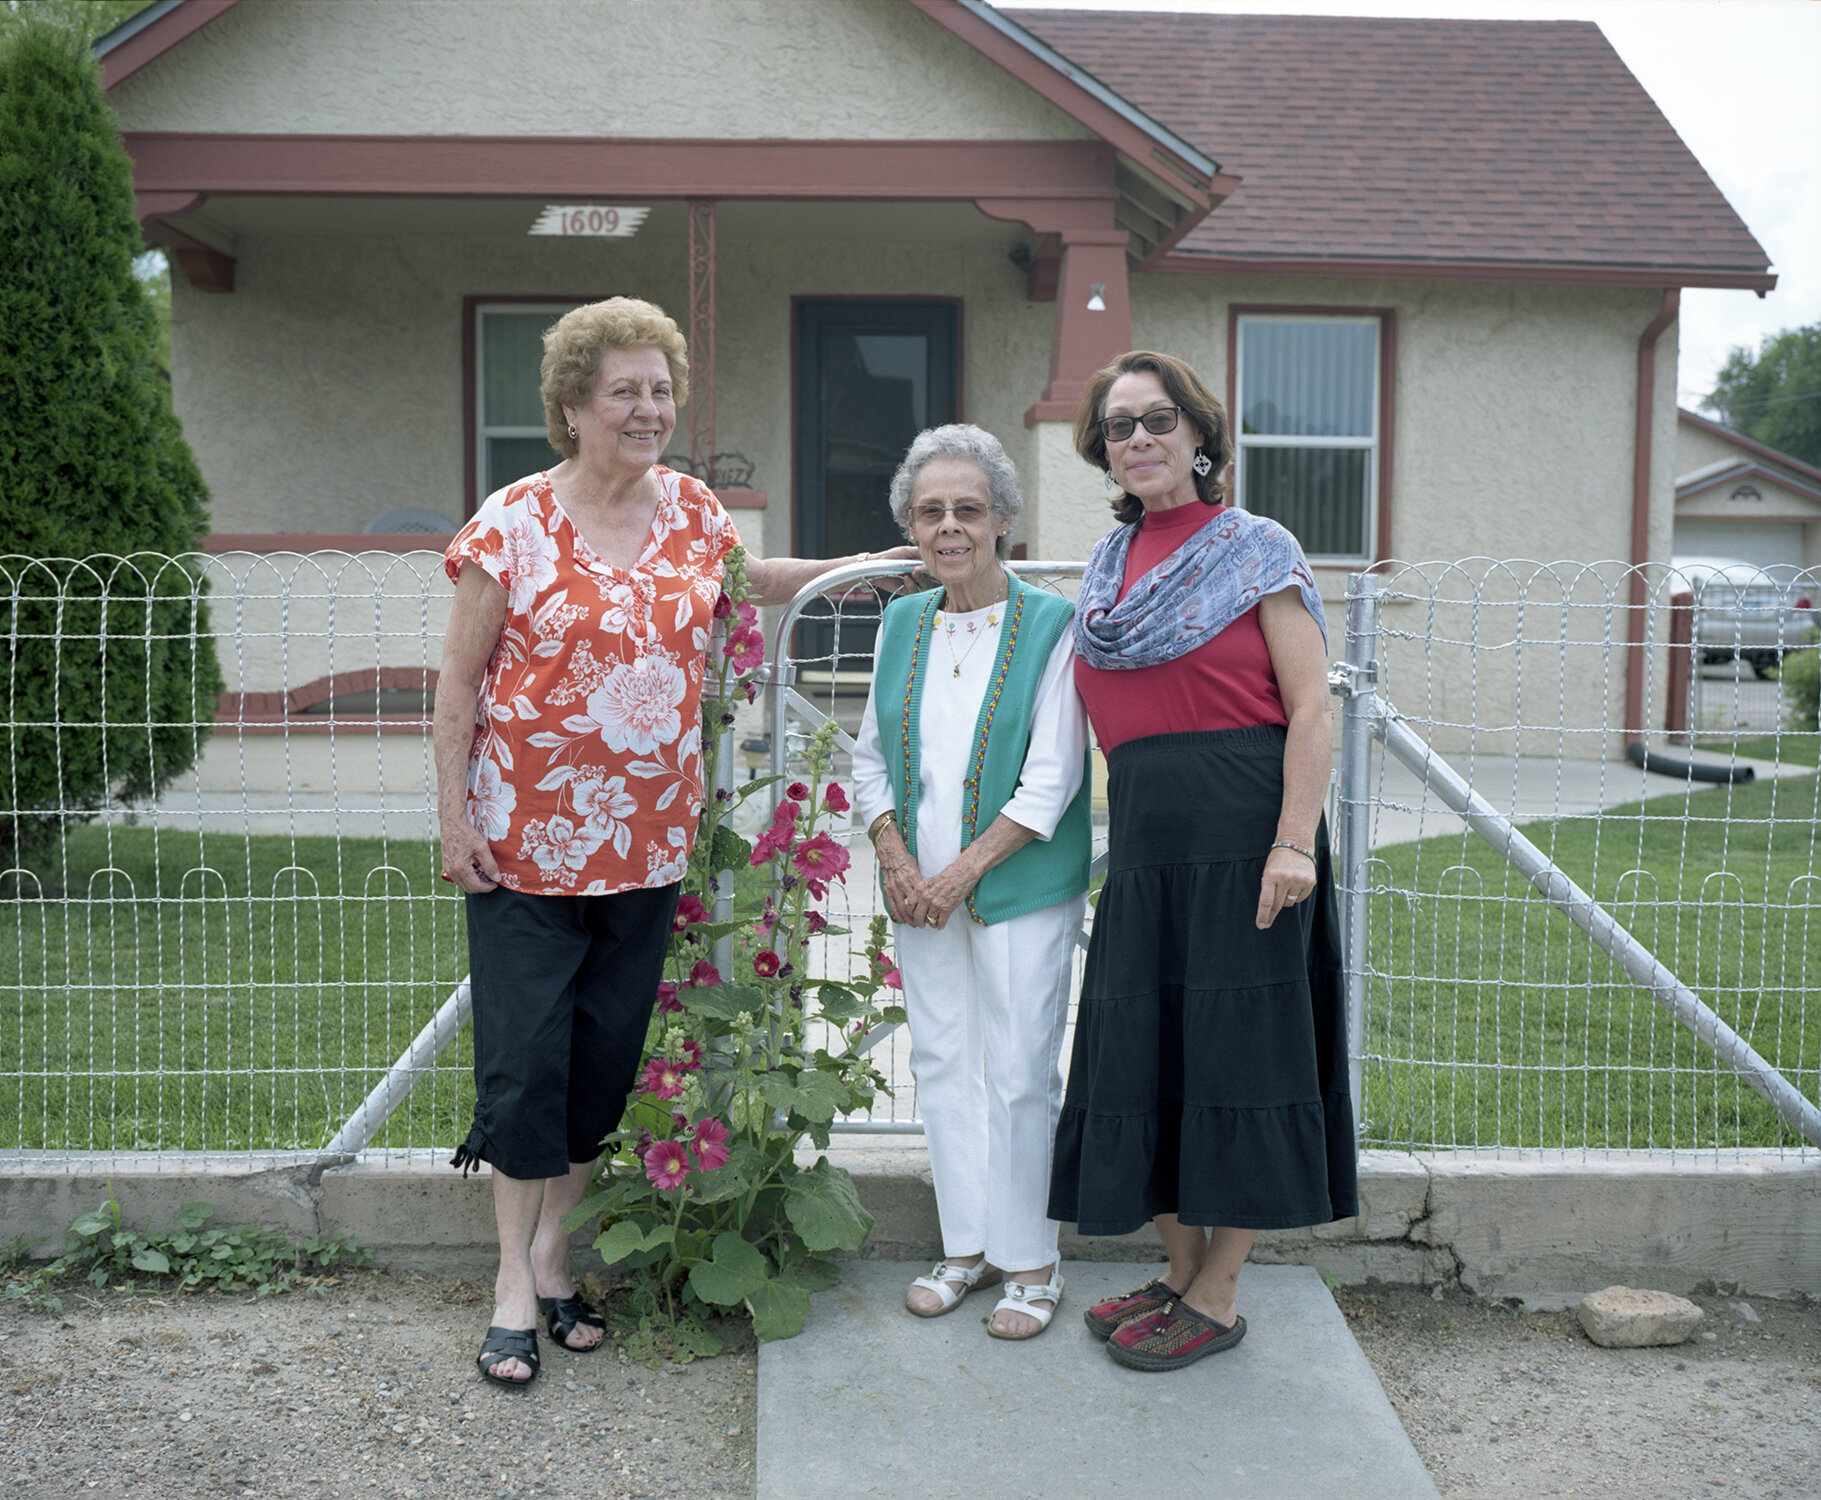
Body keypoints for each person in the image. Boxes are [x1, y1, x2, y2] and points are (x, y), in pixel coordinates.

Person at [436, 296, 903, 1388]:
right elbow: (458, 679)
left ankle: (556, 1256)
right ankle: (513, 1280)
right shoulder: (510, 523)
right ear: (570, 405)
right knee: (525, 1065)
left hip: (648, 848)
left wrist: (856, 569)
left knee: (600, 1066)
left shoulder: (693, 512)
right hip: (522, 846)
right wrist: (454, 817)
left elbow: (751, 583)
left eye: (660, 389)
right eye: (623, 391)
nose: (648, 409)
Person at [1047, 350, 1358, 1372]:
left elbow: (1310, 705)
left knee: (1236, 1060)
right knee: (1151, 1058)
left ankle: (1218, 1294)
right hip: (1144, 841)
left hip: (1241, 833)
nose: (1138, 437)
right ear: (1100, 448)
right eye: (1118, 423)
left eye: (1158, 418)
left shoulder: (1254, 547)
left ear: (1198, 433)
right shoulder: (1103, 576)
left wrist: (1290, 842)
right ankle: (1178, 1273)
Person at [851, 424, 1092, 1341]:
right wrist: (897, 861)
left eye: (966, 509)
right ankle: (966, 1249)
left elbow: (1052, 778)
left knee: (1022, 1072)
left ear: (1001, 520)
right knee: (942, 1063)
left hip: (1017, 882)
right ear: (910, 526)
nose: (947, 526)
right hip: (920, 893)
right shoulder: (901, 621)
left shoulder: (1050, 624)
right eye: (929, 512)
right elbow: (870, 759)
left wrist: (957, 873)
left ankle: (1032, 1260)